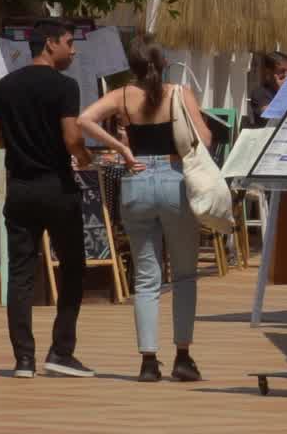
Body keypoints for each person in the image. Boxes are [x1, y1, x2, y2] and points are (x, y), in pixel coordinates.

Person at [76, 38, 212, 383]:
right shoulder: (179, 93)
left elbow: (85, 119)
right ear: (163, 61)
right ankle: (183, 355)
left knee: (146, 277)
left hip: (136, 179)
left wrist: (122, 147)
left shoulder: (122, 96)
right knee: (183, 274)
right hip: (174, 178)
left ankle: (148, 360)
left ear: (132, 66)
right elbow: (205, 139)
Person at [0, 20, 95, 379]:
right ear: (49, 44)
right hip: (57, 187)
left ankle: (24, 360)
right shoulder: (65, 87)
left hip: (20, 189)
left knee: (20, 275)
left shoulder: (3, 87)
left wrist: (18, 144)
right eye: (68, 42)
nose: (73, 50)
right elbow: (70, 136)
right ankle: (61, 352)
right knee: (74, 268)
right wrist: (83, 156)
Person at [247, 51, 287, 128]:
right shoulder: (260, 93)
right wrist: (282, 92)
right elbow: (270, 115)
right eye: (282, 71)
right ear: (269, 72)